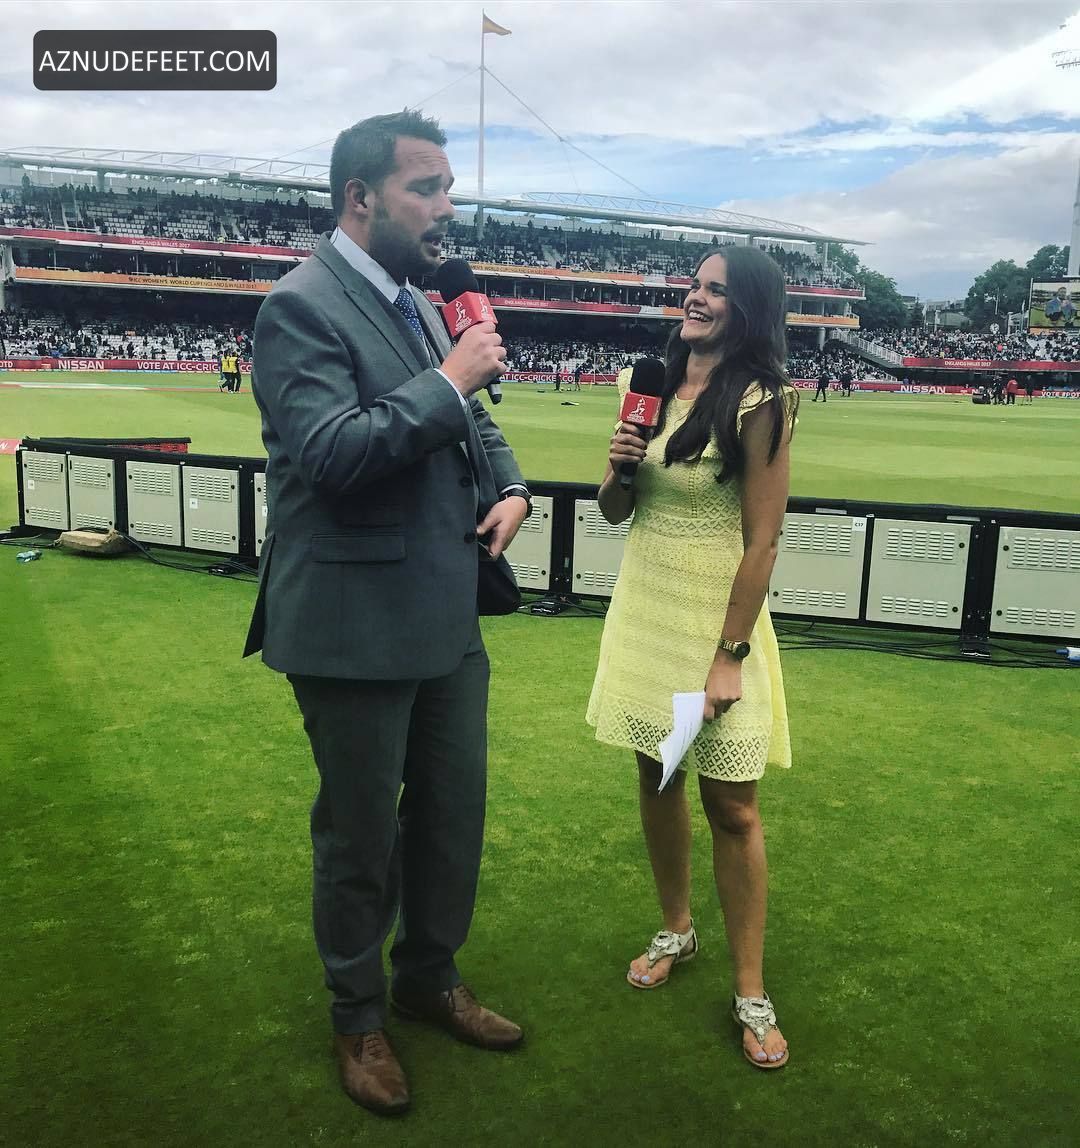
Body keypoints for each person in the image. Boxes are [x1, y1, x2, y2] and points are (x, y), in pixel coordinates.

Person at [242, 110, 530, 1117]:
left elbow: (473, 422)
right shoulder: (300, 305)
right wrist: (451, 379)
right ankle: (357, 1013)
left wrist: (512, 485)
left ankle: (429, 977)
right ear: (360, 197)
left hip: (446, 611)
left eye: (449, 187)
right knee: (361, 836)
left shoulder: (418, 301)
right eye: (427, 188)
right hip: (352, 620)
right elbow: (332, 452)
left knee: (451, 816)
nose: (447, 207)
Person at [586, 246, 796, 1071]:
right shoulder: (646, 385)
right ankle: (677, 927)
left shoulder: (761, 400)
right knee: (658, 776)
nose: (696, 298)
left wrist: (729, 656)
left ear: (747, 309)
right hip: (648, 616)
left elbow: (763, 540)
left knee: (733, 808)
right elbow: (614, 511)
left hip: (717, 629)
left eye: (716, 290)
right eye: (694, 286)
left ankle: (751, 989)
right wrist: (620, 464)